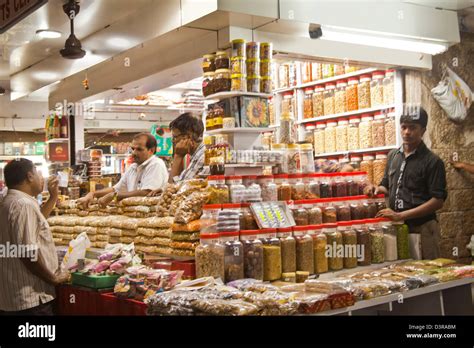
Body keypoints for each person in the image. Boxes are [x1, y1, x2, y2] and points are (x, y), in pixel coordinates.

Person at [365, 107, 447, 259]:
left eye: (412, 128)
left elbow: (438, 201)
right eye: (404, 127)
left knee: (427, 273)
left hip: (423, 228)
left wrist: (401, 215)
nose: (407, 132)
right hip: (398, 228)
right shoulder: (393, 156)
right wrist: (376, 188)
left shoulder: (433, 162)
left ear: (423, 130)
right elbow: (386, 186)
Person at [0, 158, 69, 315]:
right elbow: (27, 252)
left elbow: (34, 226)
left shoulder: (9, 201)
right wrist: (53, 279)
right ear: (30, 176)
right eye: (39, 174)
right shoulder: (24, 204)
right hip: (30, 298)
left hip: (13, 296)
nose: (41, 178)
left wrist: (52, 198)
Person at [78, 133, 168, 208]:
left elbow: (146, 192)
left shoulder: (156, 165)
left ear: (151, 150)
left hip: (150, 217)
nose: (134, 153)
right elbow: (116, 188)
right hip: (134, 214)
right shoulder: (133, 167)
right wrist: (93, 194)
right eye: (133, 149)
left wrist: (115, 196)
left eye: (139, 149)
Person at [166, 112, 206, 184]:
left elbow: (175, 188)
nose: (173, 140)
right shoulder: (196, 156)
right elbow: (177, 185)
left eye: (175, 137)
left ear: (188, 136)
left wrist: (178, 156)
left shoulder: (203, 157)